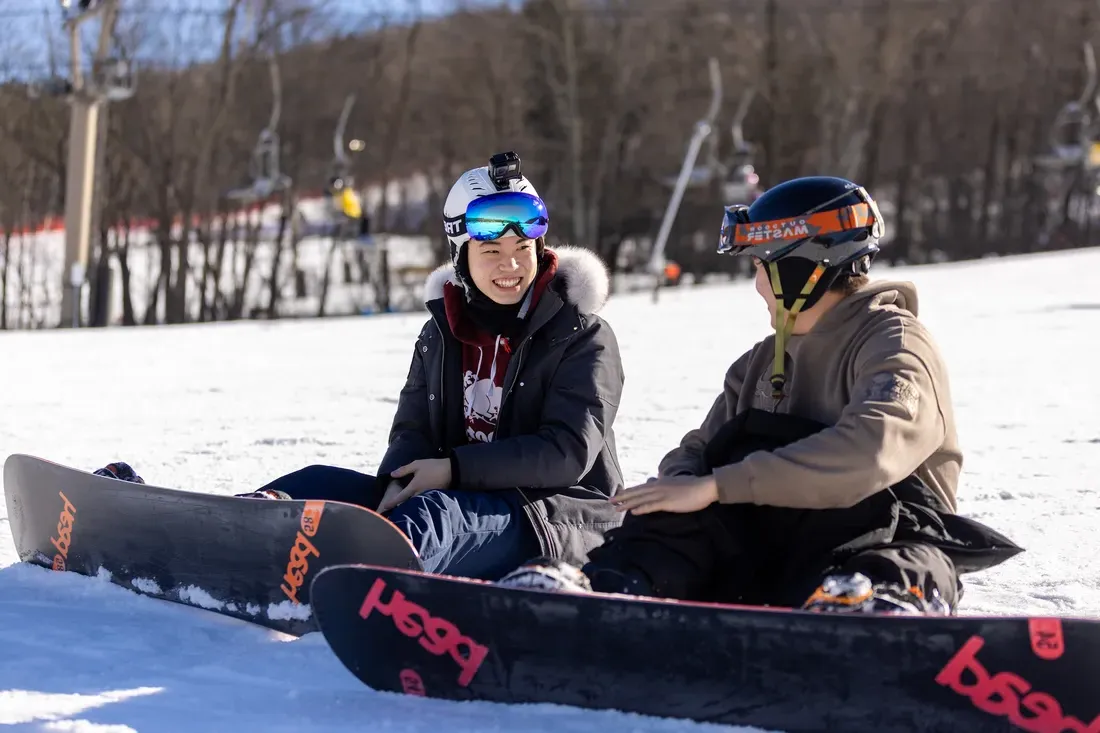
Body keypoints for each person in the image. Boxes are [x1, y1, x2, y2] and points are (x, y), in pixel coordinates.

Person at [498, 175, 1023, 614]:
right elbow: (697, 451)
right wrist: (681, 491)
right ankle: (610, 591)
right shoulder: (758, 362)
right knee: (684, 512)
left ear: (802, 267)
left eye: (760, 267)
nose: (756, 286)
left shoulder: (896, 343)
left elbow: (873, 449)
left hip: (876, 531)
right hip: (776, 545)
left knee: (911, 545)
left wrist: (720, 486)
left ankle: (881, 605)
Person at [95, 151, 626, 583]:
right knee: (312, 483)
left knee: (432, 519)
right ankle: (210, 535)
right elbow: (413, 429)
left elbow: (566, 454)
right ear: (462, 256)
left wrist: (452, 471)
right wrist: (400, 476)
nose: (511, 265)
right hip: (452, 493)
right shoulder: (442, 332)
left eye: (521, 247)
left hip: (549, 518)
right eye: (491, 250)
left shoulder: (582, 335)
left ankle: (339, 578)